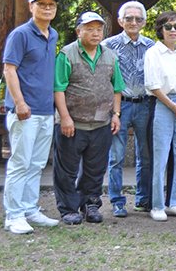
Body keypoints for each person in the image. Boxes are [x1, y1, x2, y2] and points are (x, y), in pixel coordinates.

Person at [52, 11, 124, 225]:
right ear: (78, 31)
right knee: (67, 169)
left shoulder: (110, 56)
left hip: (102, 123)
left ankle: (90, 204)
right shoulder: (67, 54)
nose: (95, 33)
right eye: (89, 29)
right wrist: (65, 118)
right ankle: (68, 209)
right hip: (73, 123)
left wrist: (116, 115)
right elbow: (58, 88)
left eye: (98, 29)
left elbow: (117, 88)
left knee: (96, 168)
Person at [2, 0, 62, 234]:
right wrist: (19, 103)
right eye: (42, 4)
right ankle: (13, 215)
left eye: (51, 5)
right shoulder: (21, 34)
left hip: (45, 110)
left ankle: (29, 209)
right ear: (31, 7)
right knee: (20, 162)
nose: (47, 8)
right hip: (25, 110)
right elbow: (9, 69)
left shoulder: (53, 34)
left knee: (36, 163)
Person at [103, 0, 155, 217]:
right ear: (120, 21)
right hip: (120, 105)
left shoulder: (152, 47)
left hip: (144, 104)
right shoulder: (108, 45)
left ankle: (143, 199)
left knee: (146, 154)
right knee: (116, 156)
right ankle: (117, 200)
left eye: (138, 18)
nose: (133, 22)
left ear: (143, 22)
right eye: (129, 18)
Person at [145, 11, 176, 221]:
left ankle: (175, 202)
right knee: (161, 157)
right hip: (164, 104)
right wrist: (173, 105)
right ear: (160, 30)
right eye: (168, 26)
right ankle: (157, 205)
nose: (173, 30)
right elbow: (153, 86)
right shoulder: (153, 53)